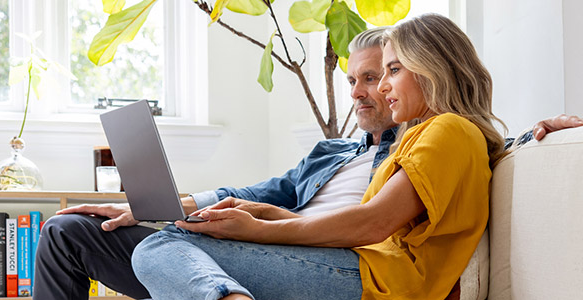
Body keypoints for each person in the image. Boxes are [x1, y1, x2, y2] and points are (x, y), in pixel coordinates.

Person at [33, 22, 583, 300]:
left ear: (430, 67)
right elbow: (272, 194)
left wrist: (539, 133)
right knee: (69, 230)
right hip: (344, 261)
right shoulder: (354, 148)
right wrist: (196, 209)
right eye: (363, 78)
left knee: (163, 246)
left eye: (387, 72)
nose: (373, 90)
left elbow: (375, 223)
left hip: (370, 275)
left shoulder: (442, 132)